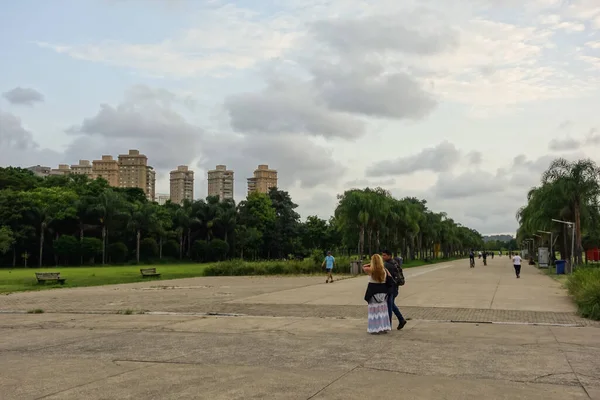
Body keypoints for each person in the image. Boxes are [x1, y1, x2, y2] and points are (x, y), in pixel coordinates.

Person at [363, 254, 392, 334]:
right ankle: (384, 327)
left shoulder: (370, 270)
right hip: (383, 292)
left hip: (373, 293)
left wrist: (370, 264)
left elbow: (363, 267)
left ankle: (374, 328)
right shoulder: (384, 270)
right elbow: (389, 277)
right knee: (383, 311)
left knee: (374, 311)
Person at [382, 249, 407, 330]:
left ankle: (388, 324)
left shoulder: (387, 265)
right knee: (391, 304)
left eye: (385, 255)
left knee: (389, 306)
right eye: (382, 255)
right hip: (395, 288)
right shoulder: (395, 263)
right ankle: (401, 319)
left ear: (389, 256)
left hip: (390, 288)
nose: (383, 257)